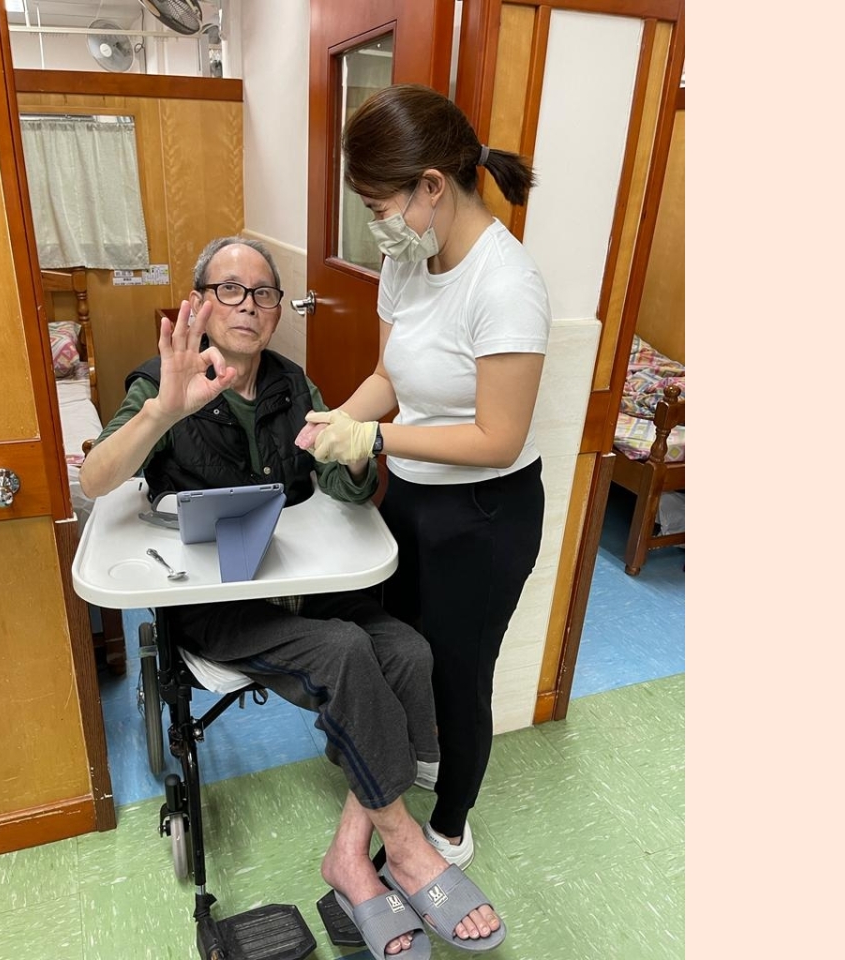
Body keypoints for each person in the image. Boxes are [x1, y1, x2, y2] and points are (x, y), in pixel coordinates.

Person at [80, 236, 506, 955]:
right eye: (229, 289)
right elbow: (96, 481)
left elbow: (340, 487)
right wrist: (163, 412)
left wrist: (357, 454)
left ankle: (349, 853)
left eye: (264, 293)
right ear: (200, 303)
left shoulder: (291, 384)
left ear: (279, 309)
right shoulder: (161, 383)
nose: (248, 305)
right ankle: (405, 848)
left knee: (406, 650)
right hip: (219, 606)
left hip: (301, 586)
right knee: (344, 651)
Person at [297, 84, 551, 871]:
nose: (378, 224)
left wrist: (373, 435)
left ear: (432, 186)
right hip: (408, 498)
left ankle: (449, 828)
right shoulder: (406, 260)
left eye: (380, 206)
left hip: (484, 515)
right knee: (402, 651)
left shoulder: (505, 284)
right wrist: (336, 421)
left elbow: (499, 439)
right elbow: (389, 374)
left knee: (460, 675)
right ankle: (408, 768)